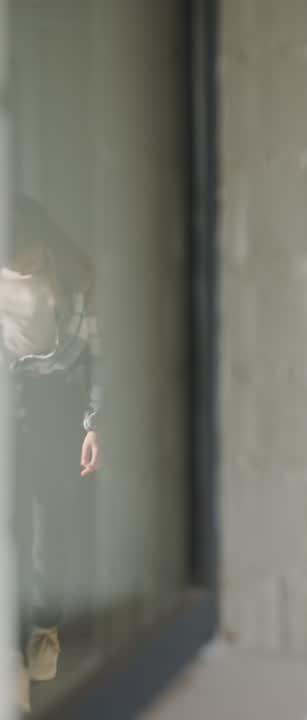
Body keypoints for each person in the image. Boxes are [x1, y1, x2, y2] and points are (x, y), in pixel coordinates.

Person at [3, 196, 100, 712]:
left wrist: (95, 422)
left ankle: (43, 646)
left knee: (47, 529)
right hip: (6, 400)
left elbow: (101, 355)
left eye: (27, 258)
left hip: (52, 407)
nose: (22, 268)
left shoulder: (76, 279)